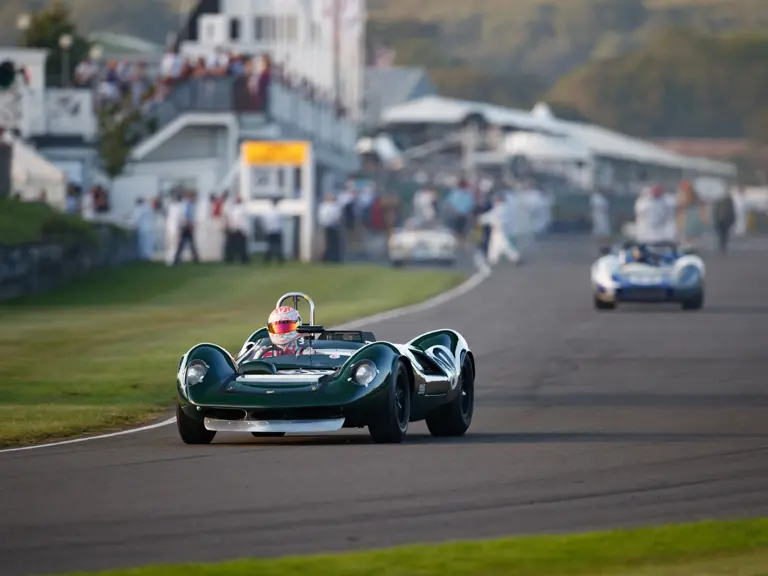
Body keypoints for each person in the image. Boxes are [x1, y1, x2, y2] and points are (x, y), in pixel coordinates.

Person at [477, 194, 520, 266]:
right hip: (497, 229)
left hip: (500, 228)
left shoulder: (502, 208)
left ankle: (514, 257)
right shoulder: (501, 208)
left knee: (503, 244)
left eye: (496, 200)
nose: (495, 201)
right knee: (495, 244)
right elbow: (491, 215)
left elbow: (491, 216)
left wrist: (481, 219)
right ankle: (493, 259)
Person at [173, 192, 200, 265]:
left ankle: (195, 258)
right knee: (184, 244)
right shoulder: (187, 205)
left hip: (186, 226)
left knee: (189, 244)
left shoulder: (188, 204)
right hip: (186, 227)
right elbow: (186, 216)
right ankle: (177, 259)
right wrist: (190, 225)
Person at [224, 195, 250, 263]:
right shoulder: (238, 208)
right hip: (238, 229)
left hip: (238, 229)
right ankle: (239, 259)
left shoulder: (239, 208)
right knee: (239, 246)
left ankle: (239, 259)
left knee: (238, 246)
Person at [318, 193, 342, 261]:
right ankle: (325, 257)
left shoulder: (335, 206)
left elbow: (337, 216)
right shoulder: (323, 206)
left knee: (332, 243)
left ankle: (333, 257)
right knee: (325, 243)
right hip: (325, 226)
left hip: (333, 226)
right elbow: (322, 216)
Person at [261, 197, 284, 264]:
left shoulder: (271, 211)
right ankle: (271, 258)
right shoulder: (275, 211)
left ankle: (274, 259)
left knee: (274, 246)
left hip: (273, 230)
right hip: (274, 230)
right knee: (274, 246)